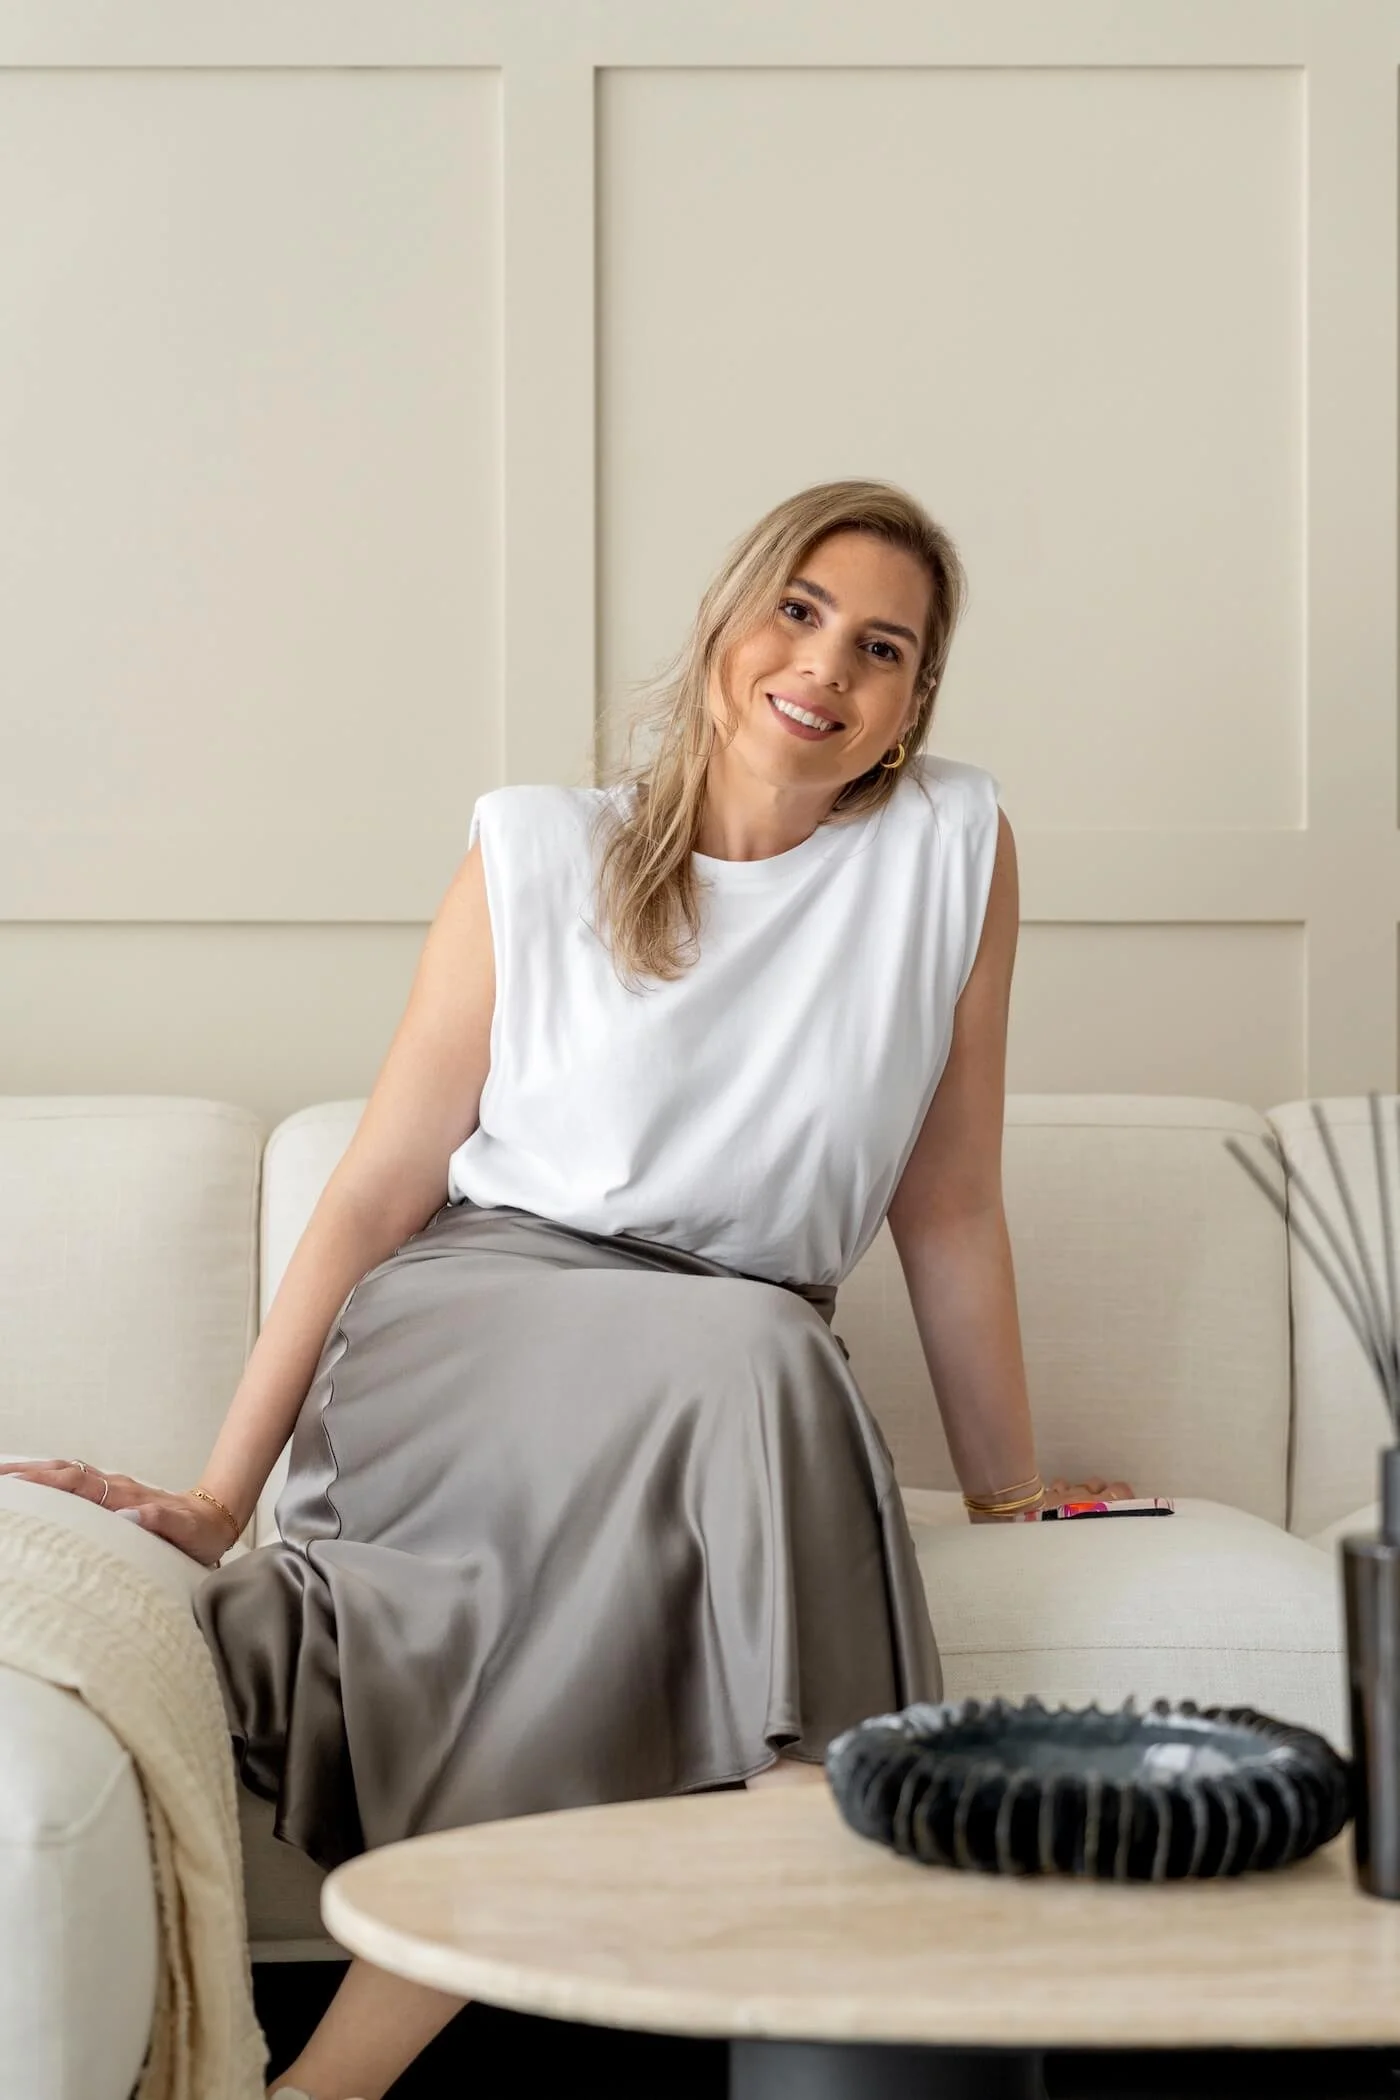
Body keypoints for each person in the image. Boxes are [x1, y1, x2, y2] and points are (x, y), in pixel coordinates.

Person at [1, 479, 1132, 2100]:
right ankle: (814, 1836)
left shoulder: (952, 851)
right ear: (727, 625)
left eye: (883, 648)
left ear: (912, 705)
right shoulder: (541, 850)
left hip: (727, 1366)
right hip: (478, 1326)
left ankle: (338, 2080)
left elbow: (947, 1206)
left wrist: (1011, 1490)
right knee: (754, 1352)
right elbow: (378, 1188)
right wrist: (215, 1494)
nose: (827, 665)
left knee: (727, 1393)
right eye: (799, 610)